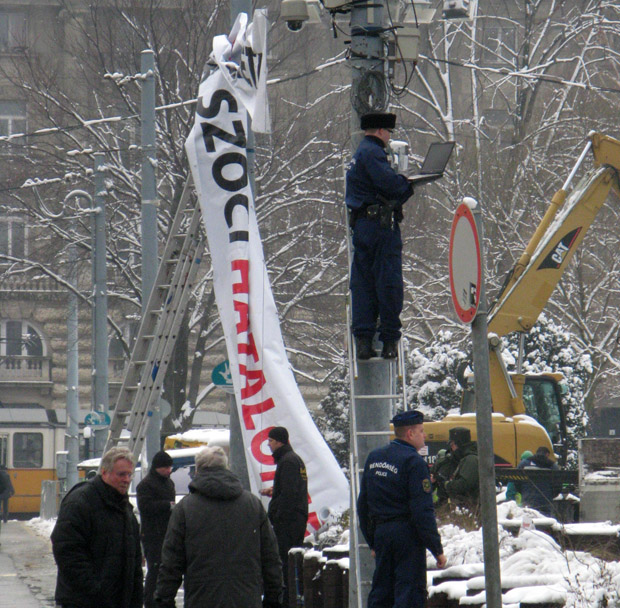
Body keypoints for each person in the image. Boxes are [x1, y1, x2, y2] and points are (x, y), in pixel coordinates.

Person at [154, 446, 282, 608]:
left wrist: (164, 599)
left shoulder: (185, 509)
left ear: (197, 471)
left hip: (201, 599)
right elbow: (270, 557)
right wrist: (273, 597)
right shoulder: (252, 505)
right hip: (246, 598)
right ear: (226, 468)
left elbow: (171, 562)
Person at [357, 410, 447, 608]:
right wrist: (437, 549)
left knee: (381, 592)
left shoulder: (374, 457)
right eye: (421, 431)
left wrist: (372, 541)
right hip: (407, 537)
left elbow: (362, 504)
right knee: (409, 592)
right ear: (410, 434)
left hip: (382, 535)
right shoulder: (414, 462)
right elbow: (422, 511)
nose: (424, 436)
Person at [345, 112, 414, 360]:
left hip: (363, 226)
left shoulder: (360, 153)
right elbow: (391, 185)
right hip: (380, 228)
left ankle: (363, 341)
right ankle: (388, 342)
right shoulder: (373, 153)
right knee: (388, 283)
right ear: (382, 131)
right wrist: (407, 185)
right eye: (388, 132)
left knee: (363, 284)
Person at [51, 446, 142, 608]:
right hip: (84, 601)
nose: (127, 479)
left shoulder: (124, 508)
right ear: (105, 472)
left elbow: (133, 560)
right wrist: (95, 591)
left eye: (130, 474)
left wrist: (135, 598)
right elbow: (67, 552)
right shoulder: (80, 502)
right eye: (121, 474)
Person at [259, 426, 308, 606]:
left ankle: (286, 601)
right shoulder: (294, 460)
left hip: (288, 523)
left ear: (279, 441)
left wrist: (276, 515)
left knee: (285, 563)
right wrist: (274, 492)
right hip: (295, 519)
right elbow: (291, 489)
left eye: (270, 441)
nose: (269, 445)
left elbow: (289, 495)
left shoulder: (287, 461)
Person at [136, 450, 176, 608]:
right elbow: (145, 507)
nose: (168, 470)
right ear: (157, 467)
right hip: (153, 534)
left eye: (170, 467)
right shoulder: (146, 485)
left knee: (166, 568)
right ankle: (151, 600)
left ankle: (164, 599)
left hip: (166, 531)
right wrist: (167, 506)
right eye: (165, 467)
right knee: (155, 568)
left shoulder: (169, 483)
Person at [516, 446, 559, 516]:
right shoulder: (552, 466)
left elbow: (516, 481)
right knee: (545, 522)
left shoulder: (524, 464)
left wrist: (523, 492)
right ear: (547, 454)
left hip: (527, 500)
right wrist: (550, 495)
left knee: (527, 520)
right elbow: (558, 486)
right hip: (545, 502)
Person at [444, 427, 479, 508]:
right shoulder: (466, 458)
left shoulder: (470, 459)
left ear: (459, 444)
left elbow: (464, 484)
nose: (451, 448)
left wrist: (448, 485)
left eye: (452, 444)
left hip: (471, 507)